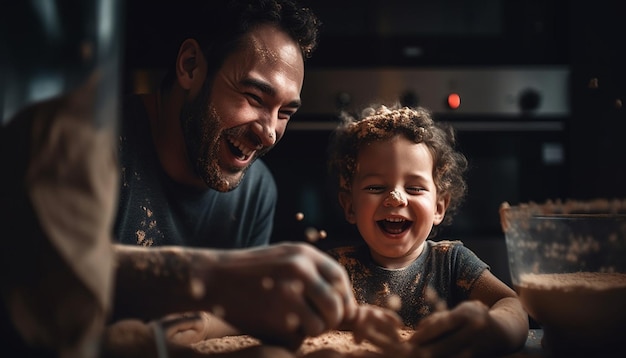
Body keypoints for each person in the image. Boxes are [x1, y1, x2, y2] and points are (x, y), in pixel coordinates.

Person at [0, 1, 404, 357]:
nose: (268, 132)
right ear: (191, 67)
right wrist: (220, 277)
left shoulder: (257, 188)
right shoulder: (83, 145)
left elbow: (221, 324)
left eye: (285, 113)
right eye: (254, 97)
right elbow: (37, 290)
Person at [326, 103, 530, 357]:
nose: (395, 198)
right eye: (375, 187)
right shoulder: (336, 268)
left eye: (415, 188)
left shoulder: (452, 263)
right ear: (350, 206)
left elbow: (512, 304)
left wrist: (496, 329)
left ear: (439, 207)